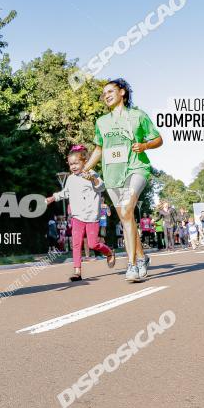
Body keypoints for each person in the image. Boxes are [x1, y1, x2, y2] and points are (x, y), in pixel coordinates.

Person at [81, 79, 162, 282]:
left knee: (126, 211)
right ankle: (142, 257)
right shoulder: (101, 121)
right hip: (112, 175)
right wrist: (85, 168)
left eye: (110, 91)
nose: (106, 95)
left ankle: (132, 265)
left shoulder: (138, 115)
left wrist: (145, 146)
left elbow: (158, 139)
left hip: (137, 168)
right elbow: (99, 149)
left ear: (122, 92)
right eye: (104, 93)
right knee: (127, 219)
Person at [45, 144, 115, 281]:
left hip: (92, 216)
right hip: (77, 216)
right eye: (71, 164)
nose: (73, 167)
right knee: (76, 244)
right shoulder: (71, 179)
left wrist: (93, 179)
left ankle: (109, 252)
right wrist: (53, 198)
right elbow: (65, 193)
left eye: (76, 163)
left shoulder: (92, 173)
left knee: (92, 244)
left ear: (85, 162)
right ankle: (77, 271)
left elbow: (101, 187)